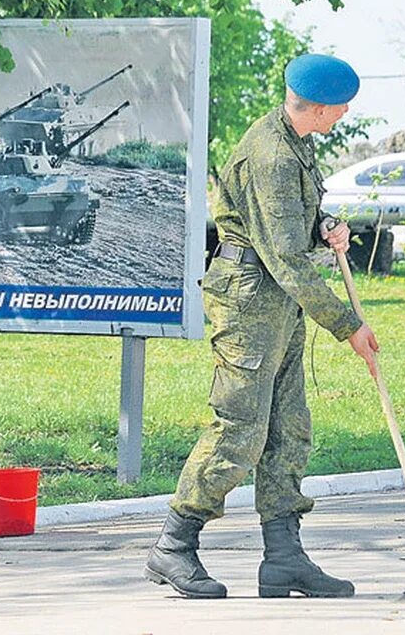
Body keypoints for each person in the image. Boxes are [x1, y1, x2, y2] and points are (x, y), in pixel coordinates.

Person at [144, 54, 380, 599]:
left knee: (288, 428)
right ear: (319, 108)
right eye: (341, 107)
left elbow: (289, 227)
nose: (345, 113)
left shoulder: (296, 140)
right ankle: (174, 545)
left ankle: (284, 558)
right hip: (250, 300)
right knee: (240, 429)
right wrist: (349, 327)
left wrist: (325, 228)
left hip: (277, 298)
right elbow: (284, 258)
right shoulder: (272, 154)